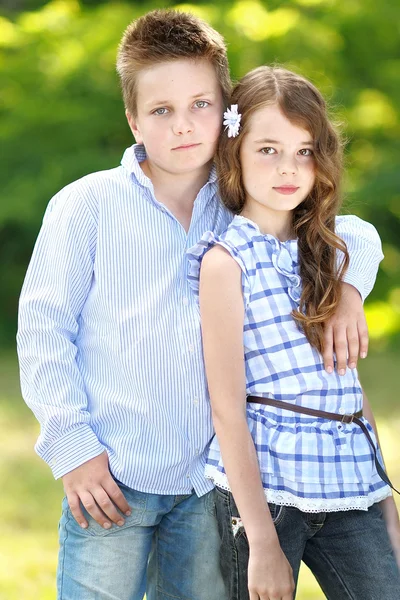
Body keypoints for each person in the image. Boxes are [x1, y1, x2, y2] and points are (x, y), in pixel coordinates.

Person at [17, 9, 385, 600]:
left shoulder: (245, 198)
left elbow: (356, 234)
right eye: (161, 111)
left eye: (201, 105)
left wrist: (348, 291)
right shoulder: (84, 206)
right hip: (111, 474)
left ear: (227, 114)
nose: (183, 126)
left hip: (207, 487)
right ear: (133, 119)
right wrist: (73, 450)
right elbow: (43, 335)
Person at [189, 65, 400, 600]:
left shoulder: (327, 252)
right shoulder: (226, 263)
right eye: (268, 149)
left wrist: (386, 505)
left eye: (304, 151)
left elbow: (345, 386)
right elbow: (227, 409)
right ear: (234, 152)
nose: (288, 168)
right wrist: (261, 541)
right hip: (267, 490)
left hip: (350, 482)